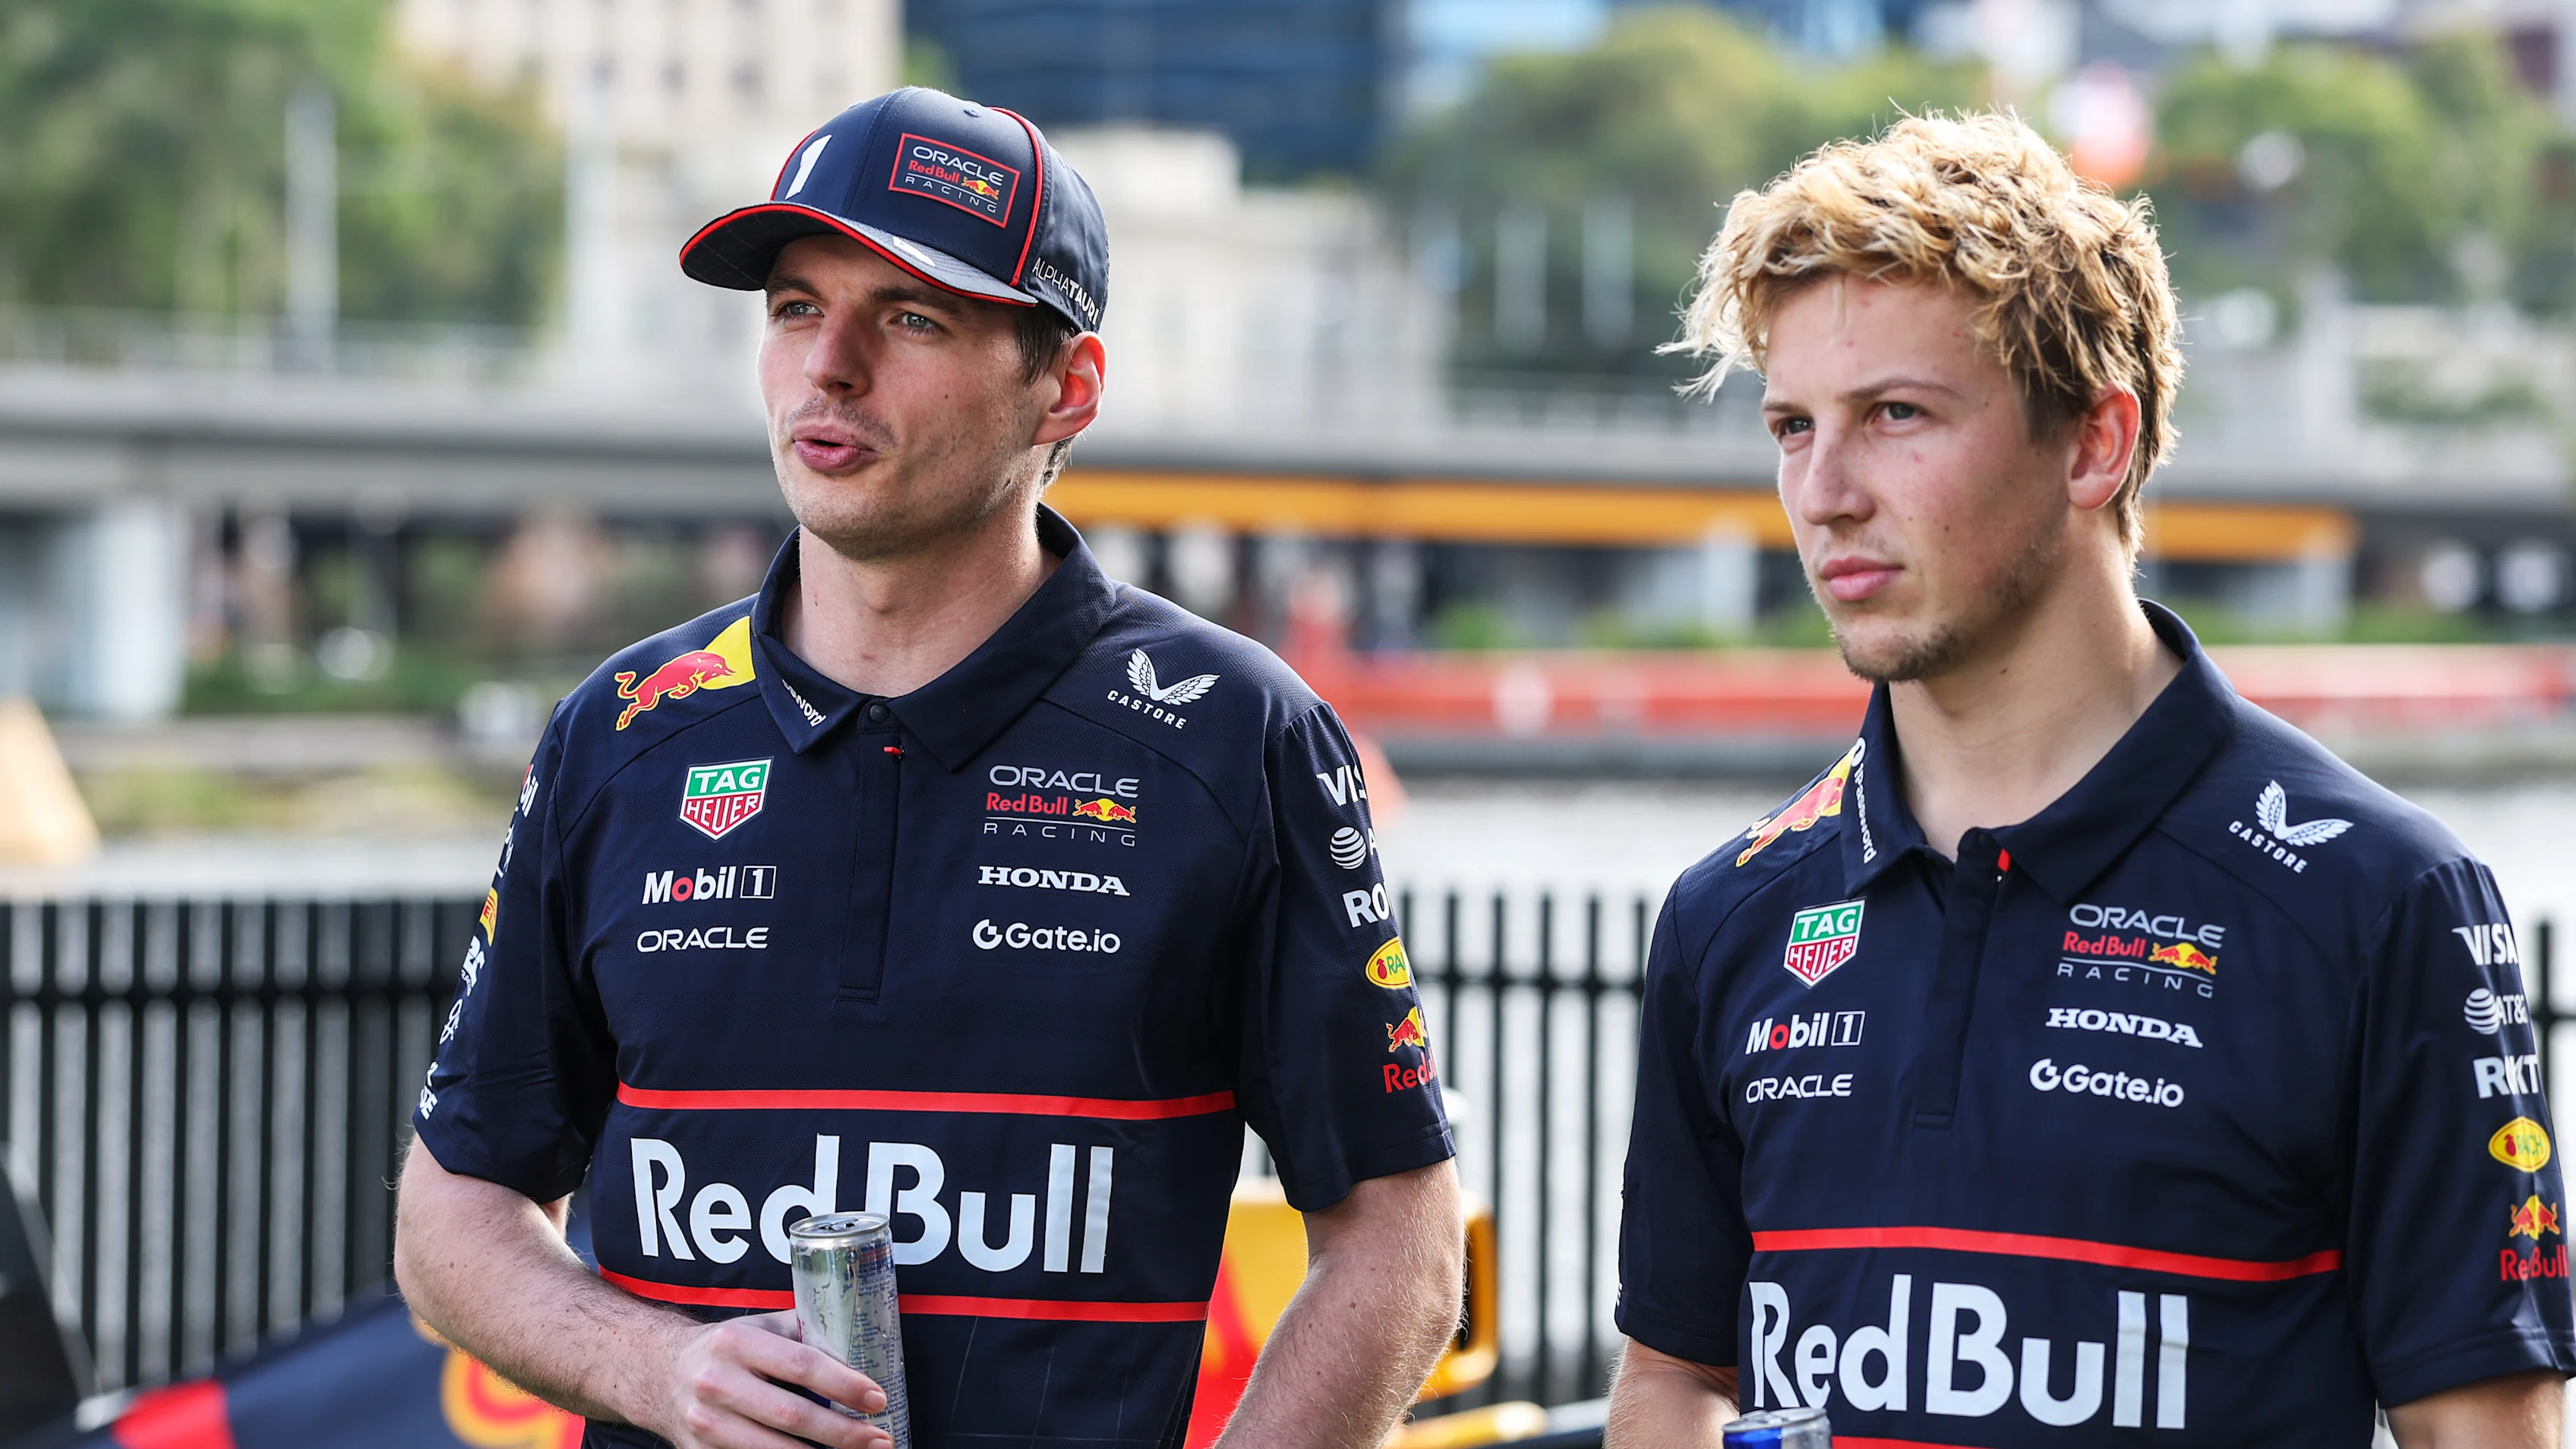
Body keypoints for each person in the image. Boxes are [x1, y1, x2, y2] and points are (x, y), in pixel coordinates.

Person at [393, 86, 1462, 1449]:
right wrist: (655, 1370)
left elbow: (1399, 1244)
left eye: (910, 317)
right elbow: (452, 1216)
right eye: (793, 307)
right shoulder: (621, 731)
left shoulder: (1231, 734)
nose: (827, 368)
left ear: (1063, 388)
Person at [1606, 112, 2576, 1447]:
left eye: (1895, 415)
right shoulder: (1730, 916)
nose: (1823, 491)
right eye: (1790, 425)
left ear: (2093, 445)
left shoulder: (2379, 902)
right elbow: (1675, 1375)